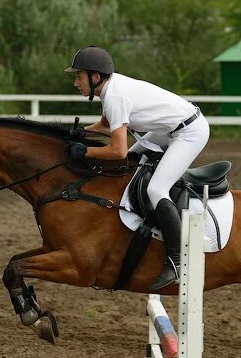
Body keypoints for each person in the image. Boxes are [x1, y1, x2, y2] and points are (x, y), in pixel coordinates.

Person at [64, 46, 209, 290]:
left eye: (78, 76)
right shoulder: (110, 89)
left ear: (95, 77)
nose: (75, 82)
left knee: (156, 189)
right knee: (131, 162)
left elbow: (117, 150)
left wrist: (85, 151)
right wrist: (80, 132)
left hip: (190, 132)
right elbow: (105, 124)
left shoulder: (114, 96)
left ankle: (178, 260)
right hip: (170, 129)